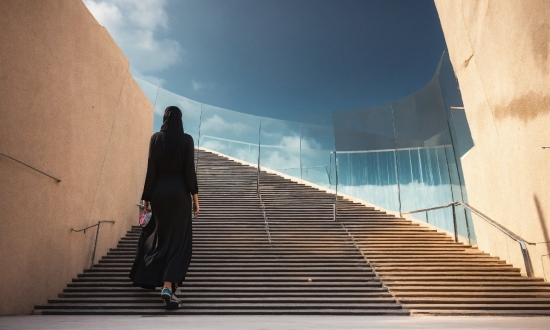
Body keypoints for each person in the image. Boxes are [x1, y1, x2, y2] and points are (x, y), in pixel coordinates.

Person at [129, 106, 199, 309]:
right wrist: (196, 199)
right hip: (179, 196)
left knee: (159, 237)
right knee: (179, 242)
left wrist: (146, 200)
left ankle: (162, 281)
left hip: (159, 194)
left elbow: (152, 168)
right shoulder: (187, 140)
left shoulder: (156, 139)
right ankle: (168, 286)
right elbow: (189, 172)